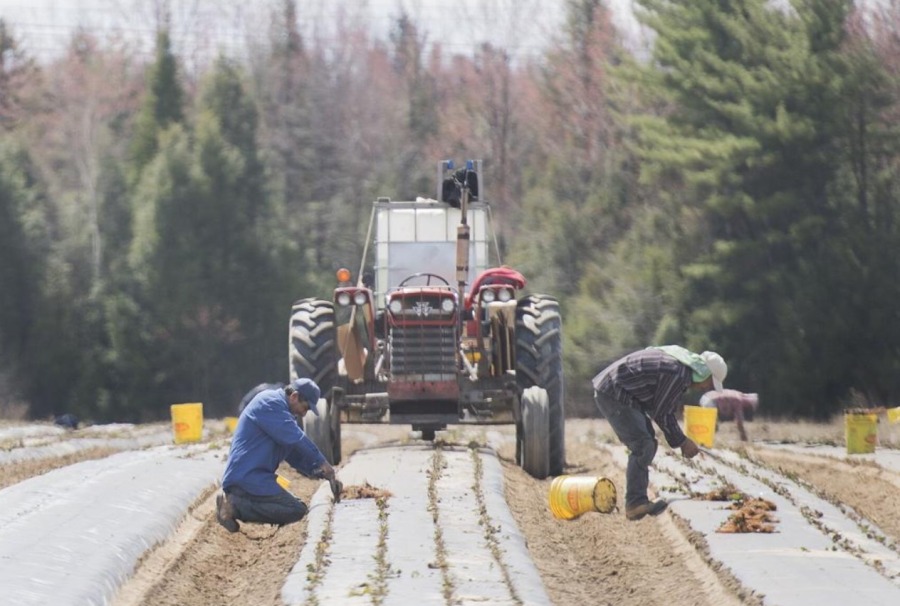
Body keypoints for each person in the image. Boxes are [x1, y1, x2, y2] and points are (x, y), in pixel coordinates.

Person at [592, 345, 727, 521]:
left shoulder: (677, 362)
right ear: (703, 372)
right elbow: (662, 413)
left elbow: (660, 406)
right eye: (709, 382)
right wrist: (683, 442)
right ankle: (635, 503)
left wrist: (679, 439)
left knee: (648, 440)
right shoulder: (676, 373)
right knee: (643, 444)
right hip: (614, 392)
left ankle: (637, 500)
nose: (705, 387)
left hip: (619, 391)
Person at [216, 378, 342, 533]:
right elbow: (298, 439)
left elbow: (292, 455)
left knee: (297, 508)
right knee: (295, 510)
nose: (305, 413)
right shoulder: (270, 403)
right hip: (246, 477)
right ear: (294, 396)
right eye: (306, 407)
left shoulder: (283, 413)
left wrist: (317, 472)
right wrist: (323, 463)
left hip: (257, 477)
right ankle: (233, 508)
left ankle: (237, 504)